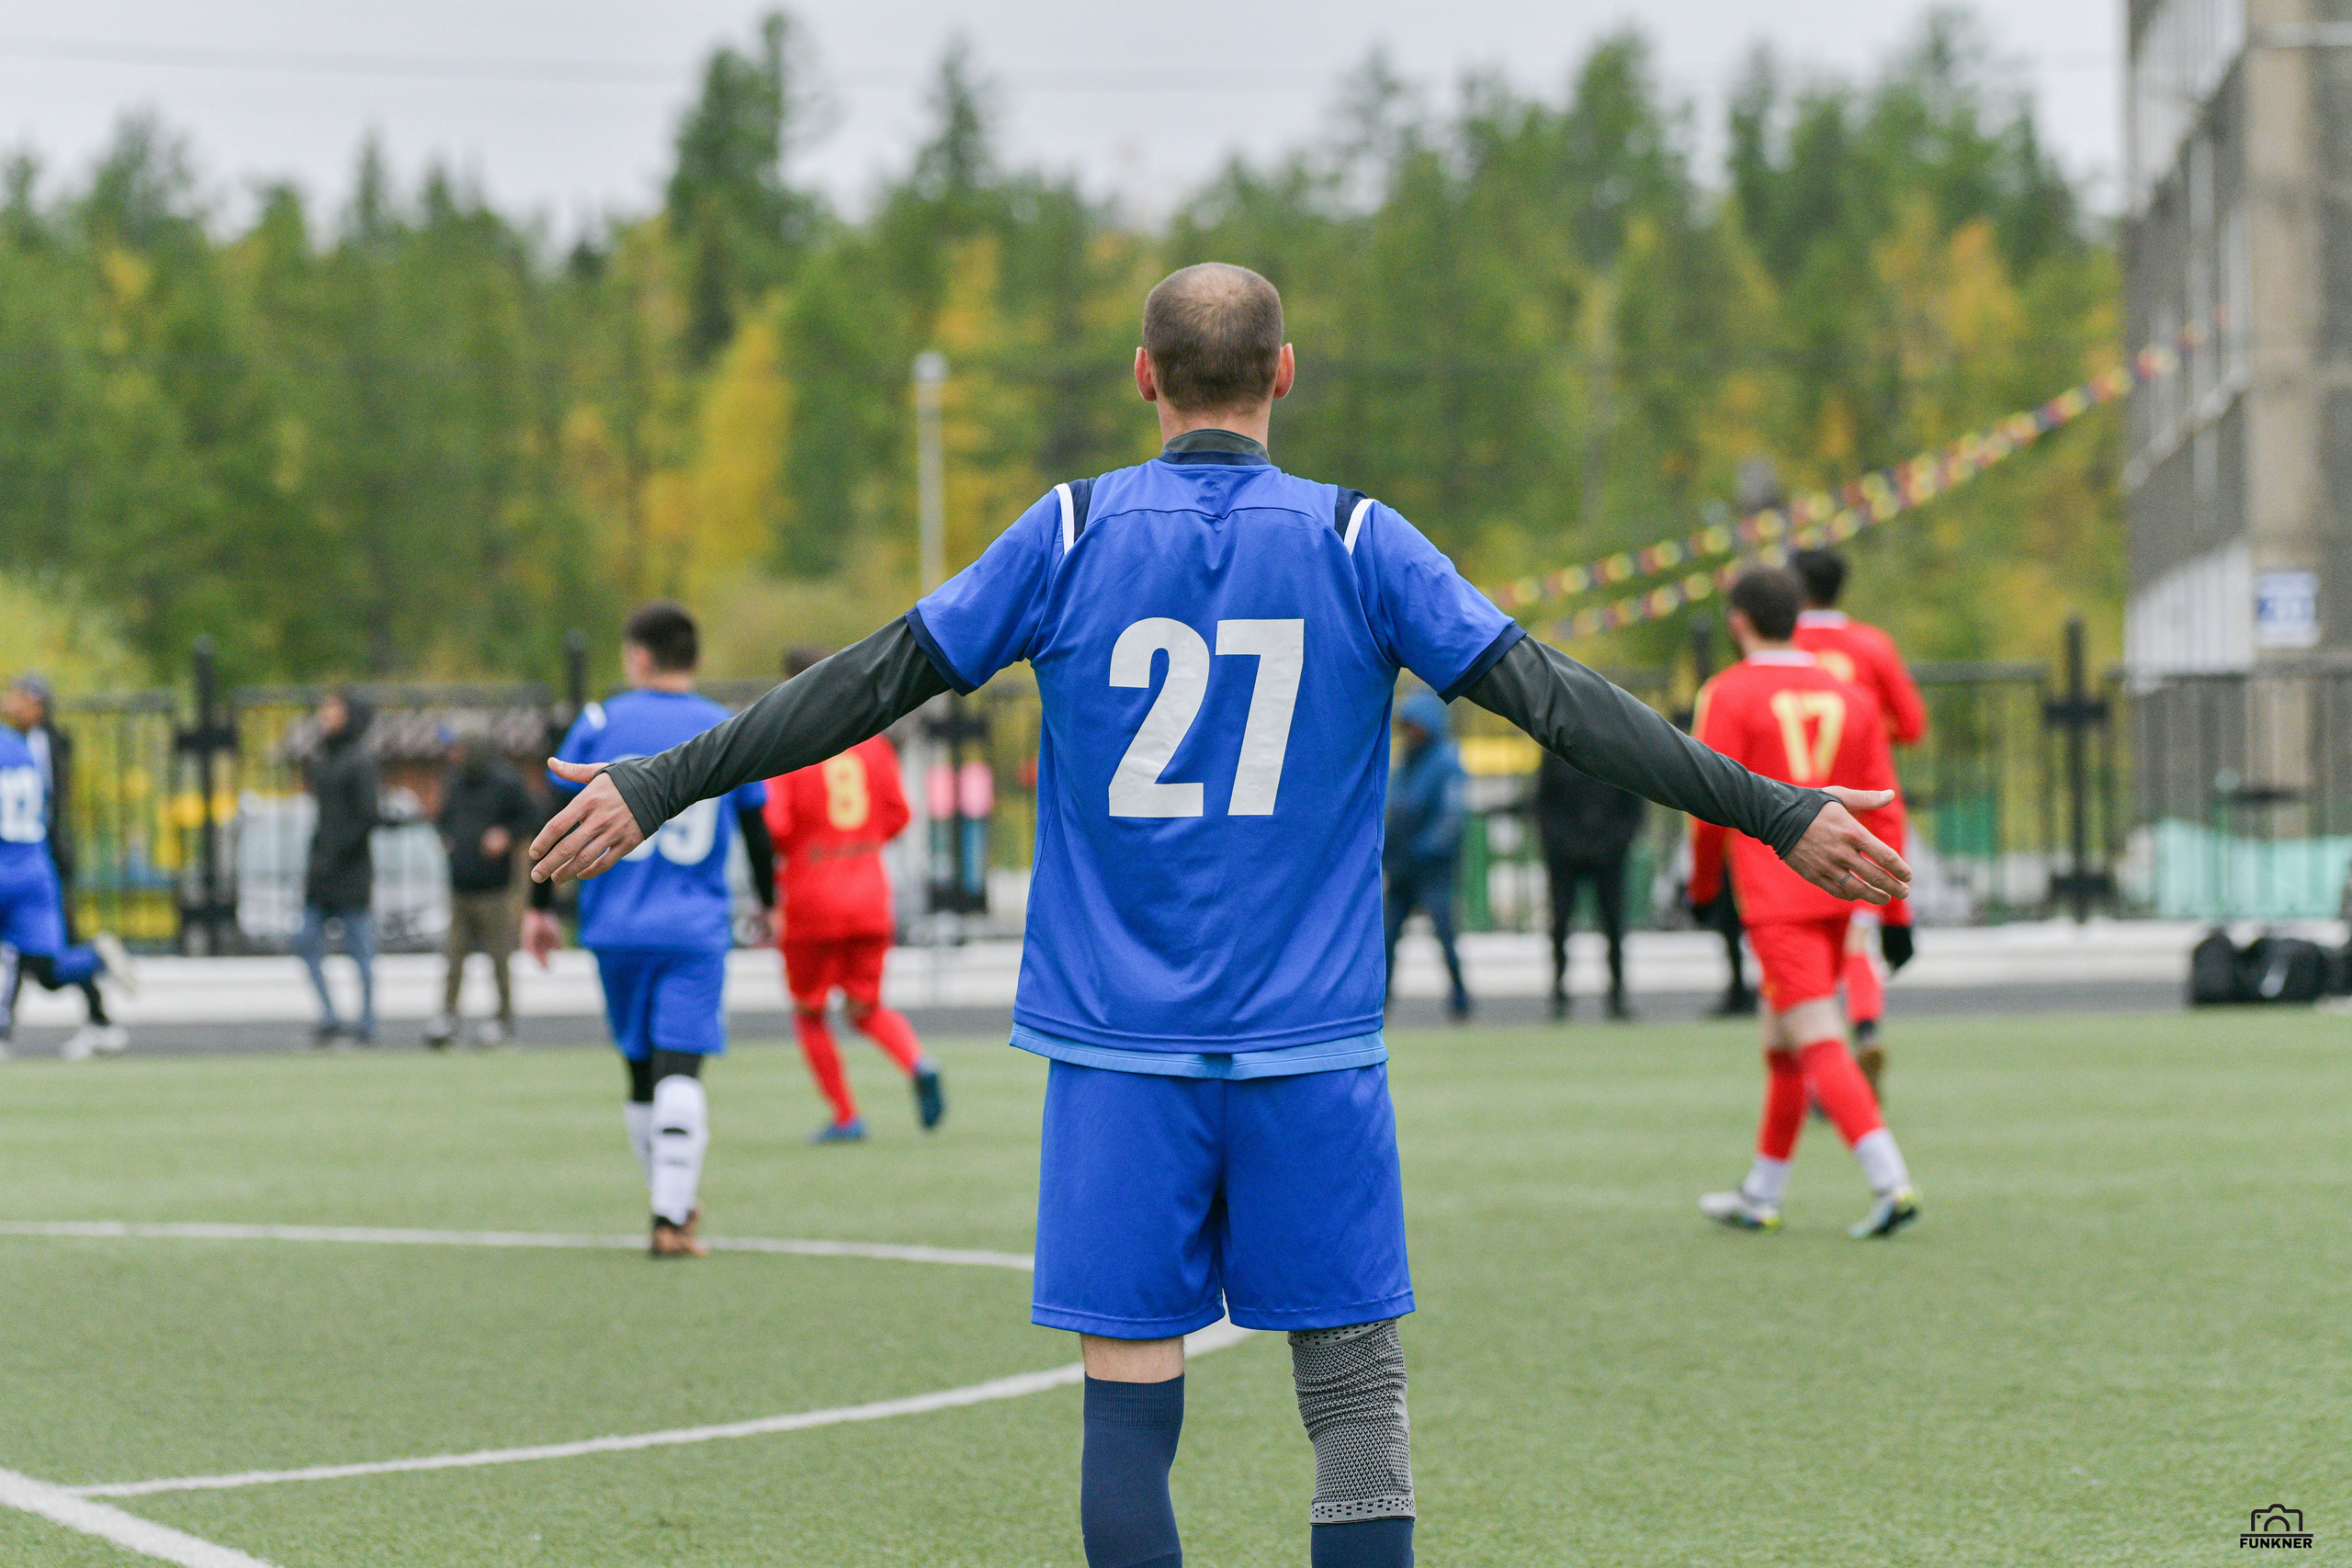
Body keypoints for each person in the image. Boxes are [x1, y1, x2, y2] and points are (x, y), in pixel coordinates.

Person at [527, 264, 1905, 1567]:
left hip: (1120, 1050)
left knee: (1128, 1397)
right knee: (1355, 1403)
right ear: (1283, 376)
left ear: (1146, 377)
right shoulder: (1362, 539)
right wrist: (1777, 808)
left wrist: (665, 775)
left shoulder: (1065, 532)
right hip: (1312, 1048)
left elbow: (870, 679)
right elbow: (1555, 697)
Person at [523, 603, 775, 1258]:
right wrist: (771, 902)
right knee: (681, 1069)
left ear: (638, 655)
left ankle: (671, 1206)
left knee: (640, 1073)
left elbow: (556, 813)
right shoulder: (721, 724)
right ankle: (670, 1215)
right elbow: (755, 823)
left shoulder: (602, 720)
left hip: (614, 924)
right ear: (691, 656)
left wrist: (540, 906)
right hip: (692, 927)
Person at [1689, 567, 1920, 1239]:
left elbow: (1707, 805)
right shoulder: (1850, 694)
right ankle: (1762, 1191)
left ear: (1738, 621)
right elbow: (1885, 802)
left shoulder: (1728, 691)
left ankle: (1890, 1181)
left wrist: (1705, 888)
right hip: (1840, 888)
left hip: (1775, 892)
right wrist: (1897, 910)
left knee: (1816, 1036)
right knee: (1782, 1041)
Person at [764, 648, 944, 1144]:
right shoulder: (871, 744)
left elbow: (774, 827)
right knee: (865, 1006)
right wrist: (858, 849)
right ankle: (918, 1061)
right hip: (869, 892)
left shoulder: (789, 745)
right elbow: (899, 814)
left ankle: (846, 1116)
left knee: (809, 1011)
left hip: (810, 896)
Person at [1789, 547, 1925, 1095]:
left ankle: (1823, 1069)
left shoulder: (1782, 650)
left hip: (1793, 813)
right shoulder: (1871, 646)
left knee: (1804, 948)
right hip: (1864, 805)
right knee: (1857, 940)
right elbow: (1912, 726)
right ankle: (1866, 1030)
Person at [0, 686, 134, 1062]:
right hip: (34, 870)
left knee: (30, 965)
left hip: (8, 867)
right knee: (47, 968)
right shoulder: (20, 749)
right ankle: (96, 960)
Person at [427, 724, 541, 1049]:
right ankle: (447, 1018)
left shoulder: (505, 781)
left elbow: (533, 817)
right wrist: (446, 838)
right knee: (453, 956)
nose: (453, 755)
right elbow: (443, 818)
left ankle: (503, 1021)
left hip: (494, 888)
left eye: (458, 748)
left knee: (499, 956)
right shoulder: (454, 781)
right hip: (461, 884)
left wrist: (506, 834)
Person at [295, 691, 384, 1046]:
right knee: (306, 943)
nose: (324, 713)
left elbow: (366, 816)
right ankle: (331, 1018)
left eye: (333, 707)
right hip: (322, 873)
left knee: (360, 949)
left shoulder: (359, 760)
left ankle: (366, 1023)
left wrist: (334, 854)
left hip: (349, 872)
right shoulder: (326, 757)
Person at [1534, 750, 1645, 1021]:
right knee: (1560, 920)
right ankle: (1559, 991)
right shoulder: (1556, 750)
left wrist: (1613, 844)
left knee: (1614, 923)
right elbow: (1543, 804)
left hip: (1608, 855)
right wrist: (1563, 844)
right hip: (1565, 855)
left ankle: (1617, 992)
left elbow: (1633, 808)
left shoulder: (1618, 751)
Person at [1382, 690, 1472, 1021]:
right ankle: (1382, 1000)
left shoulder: (1446, 761)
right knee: (1388, 936)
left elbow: (1452, 816)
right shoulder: (1407, 761)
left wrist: (1425, 850)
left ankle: (1460, 1000)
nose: (1410, 732)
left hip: (1431, 867)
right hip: (1403, 865)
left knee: (1445, 933)